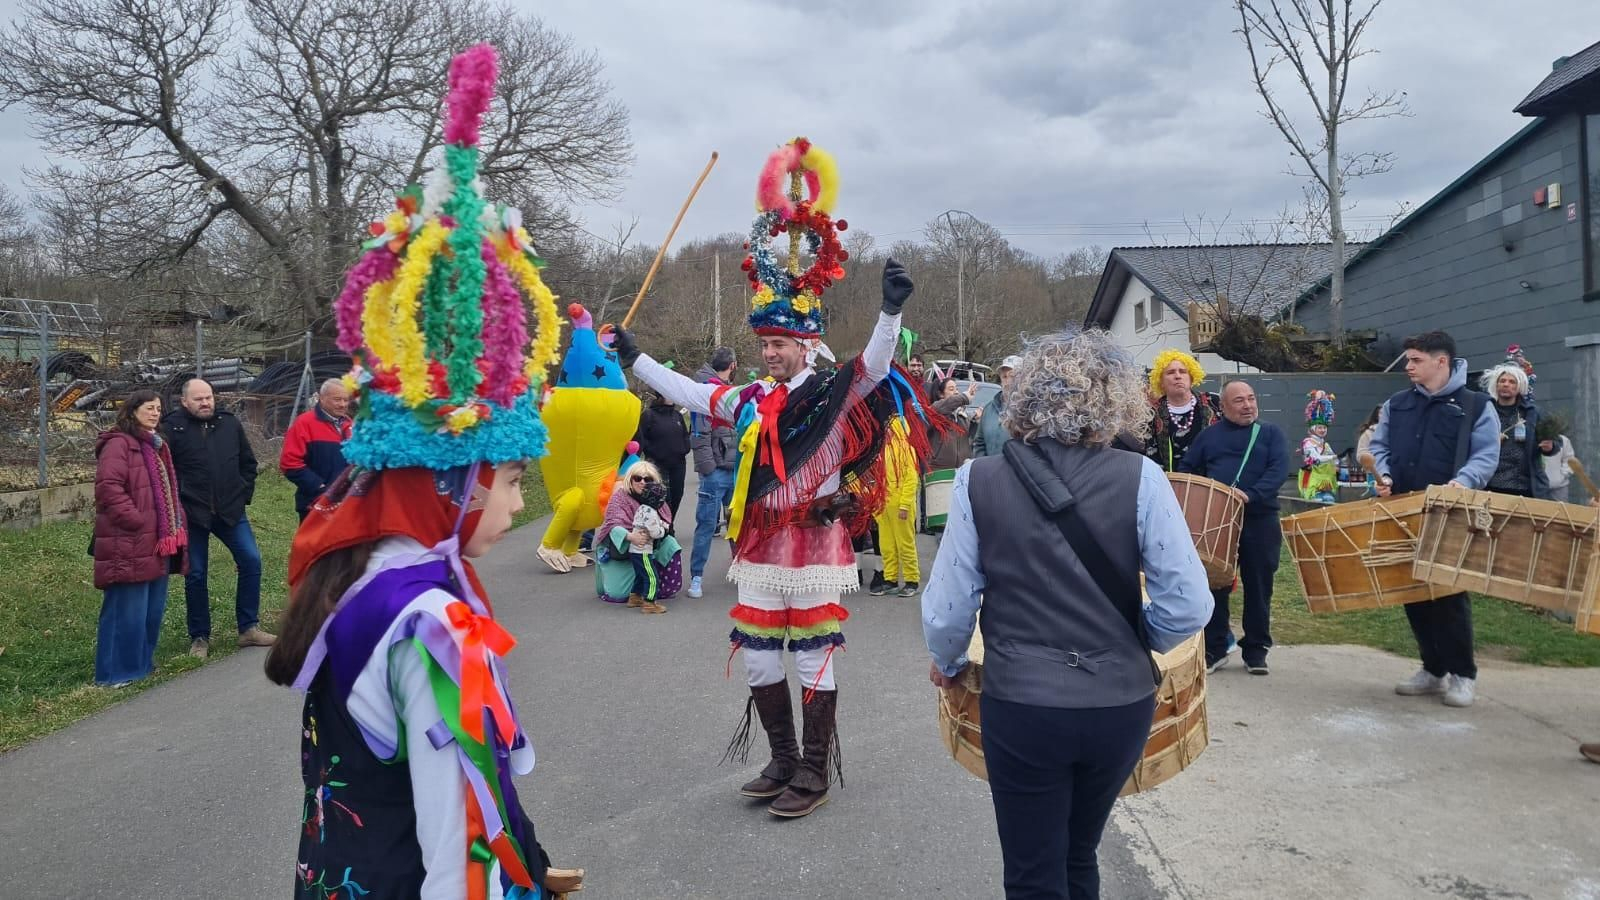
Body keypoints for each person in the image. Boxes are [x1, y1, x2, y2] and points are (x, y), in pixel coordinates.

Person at [264, 44, 582, 899]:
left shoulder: (359, 577)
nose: (521, 503)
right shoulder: (434, 623)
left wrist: (533, 856)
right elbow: (456, 835)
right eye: (511, 480)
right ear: (450, 484)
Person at [612, 170, 926, 819]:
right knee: (757, 656)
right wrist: (636, 361)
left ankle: (814, 769)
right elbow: (694, 394)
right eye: (765, 343)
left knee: (812, 654)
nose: (769, 352)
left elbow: (873, 366)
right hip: (759, 549)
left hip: (814, 546)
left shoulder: (835, 394)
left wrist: (889, 313)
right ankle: (782, 757)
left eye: (779, 343)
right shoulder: (752, 399)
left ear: (806, 344)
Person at [921, 328, 1212, 900]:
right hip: (1120, 705)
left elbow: (948, 607)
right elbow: (1190, 604)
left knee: (1033, 873)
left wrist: (947, 660)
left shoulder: (978, 480)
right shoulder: (1143, 477)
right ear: (1115, 399)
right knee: (1079, 853)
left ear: (1023, 398)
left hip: (1023, 705)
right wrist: (1137, 637)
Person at [1373, 330, 1500, 709]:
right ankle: (1433, 669)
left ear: (1440, 361)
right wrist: (1384, 475)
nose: (1408, 367)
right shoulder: (1396, 404)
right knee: (1411, 591)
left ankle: (1463, 674)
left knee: (1448, 593)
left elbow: (1486, 455)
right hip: (1404, 511)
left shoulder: (1476, 406)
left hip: (1451, 514)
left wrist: (1463, 483)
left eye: (1415, 360)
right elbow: (1378, 445)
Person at [1178, 380, 1291, 675]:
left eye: (1251, 399)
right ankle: (1215, 648)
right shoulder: (1209, 436)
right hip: (1217, 524)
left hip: (1260, 519)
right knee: (1215, 585)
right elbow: (1189, 469)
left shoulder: (1270, 434)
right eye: (1239, 401)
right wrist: (1205, 497)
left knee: (1259, 586)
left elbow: (1278, 470)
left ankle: (1256, 650)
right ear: (1224, 407)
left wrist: (1251, 495)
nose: (1247, 405)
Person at [162, 378, 272, 659]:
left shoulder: (229, 424)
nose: (205, 402)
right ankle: (200, 637)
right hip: (192, 513)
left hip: (230, 511)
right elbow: (163, 472)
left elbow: (248, 464)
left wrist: (242, 494)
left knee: (251, 560)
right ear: (185, 402)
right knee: (196, 574)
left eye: (208, 397)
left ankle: (248, 628)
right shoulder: (172, 427)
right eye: (198, 399)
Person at [92, 390, 188, 687]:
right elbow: (109, 487)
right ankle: (115, 674)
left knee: (149, 608)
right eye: (149, 408)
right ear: (132, 410)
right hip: (129, 539)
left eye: (159, 408)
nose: (155, 413)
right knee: (126, 608)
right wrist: (137, 520)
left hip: (156, 539)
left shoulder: (156, 445)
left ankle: (141, 665)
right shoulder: (119, 444)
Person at [689, 347, 738, 598]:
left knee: (738, 523)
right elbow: (699, 434)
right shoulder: (706, 393)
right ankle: (696, 576)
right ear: (731, 366)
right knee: (707, 525)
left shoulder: (730, 393)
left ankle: (741, 569)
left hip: (735, 471)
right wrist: (709, 470)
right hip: (716, 473)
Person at [599, 460, 678, 613]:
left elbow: (665, 522)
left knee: (671, 544)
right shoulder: (619, 498)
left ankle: (655, 590)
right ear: (630, 479)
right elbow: (612, 524)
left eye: (648, 479)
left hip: (646, 549)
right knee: (619, 593)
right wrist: (630, 536)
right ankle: (649, 603)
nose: (642, 482)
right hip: (620, 549)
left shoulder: (656, 500)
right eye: (637, 478)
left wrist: (661, 531)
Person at [280, 378, 353, 520]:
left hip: (347, 504)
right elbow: (289, 463)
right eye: (337, 400)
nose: (343, 404)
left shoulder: (350, 425)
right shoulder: (304, 423)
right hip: (314, 504)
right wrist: (320, 488)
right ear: (322, 398)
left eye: (346, 400)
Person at [1480, 363, 1551, 500]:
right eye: (1502, 381)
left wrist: (1549, 447)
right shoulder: (1485, 411)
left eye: (1512, 382)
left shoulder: (1533, 413)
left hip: (1524, 485)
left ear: (1519, 387)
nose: (1506, 385)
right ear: (1496, 385)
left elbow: (1554, 443)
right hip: (1490, 483)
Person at [869, 414, 922, 597]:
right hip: (884, 506)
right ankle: (889, 580)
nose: (888, 430)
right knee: (887, 546)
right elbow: (877, 479)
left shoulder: (907, 449)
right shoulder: (882, 450)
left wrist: (905, 505)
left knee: (905, 544)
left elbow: (911, 479)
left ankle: (911, 581)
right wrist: (876, 503)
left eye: (891, 426)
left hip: (900, 506)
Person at [1145, 349, 1220, 472]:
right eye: (1170, 372)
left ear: (1191, 378)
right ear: (1161, 382)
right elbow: (1151, 454)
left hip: (1213, 481)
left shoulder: (1214, 402)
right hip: (1172, 483)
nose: (1178, 376)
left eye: (1183, 372)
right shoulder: (1152, 413)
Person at [635, 390, 691, 525]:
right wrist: (651, 452)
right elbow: (640, 438)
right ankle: (664, 527)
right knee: (664, 498)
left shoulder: (677, 415)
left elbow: (685, 434)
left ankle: (669, 524)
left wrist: (685, 448)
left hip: (678, 464)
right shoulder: (649, 415)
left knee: (677, 495)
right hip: (658, 464)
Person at [972, 355, 1020, 458]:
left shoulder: (1029, 409)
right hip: (991, 472)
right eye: (1004, 376)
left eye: (1012, 376)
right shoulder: (989, 409)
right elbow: (979, 442)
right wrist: (984, 465)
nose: (1008, 381)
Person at [1298, 391, 1339, 503]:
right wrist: (1333, 458)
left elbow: (1336, 461)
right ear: (1313, 429)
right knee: (1316, 502)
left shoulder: (1326, 445)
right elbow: (1316, 459)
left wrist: (1337, 464)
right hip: (1312, 480)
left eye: (1324, 428)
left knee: (1329, 500)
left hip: (1325, 481)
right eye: (1320, 428)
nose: (1322, 430)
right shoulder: (1308, 443)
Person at [1542, 432, 1577, 504]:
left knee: (1562, 513)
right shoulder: (1534, 440)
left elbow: (1570, 461)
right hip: (1538, 488)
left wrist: (1561, 477)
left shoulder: (1564, 440)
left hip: (1560, 489)